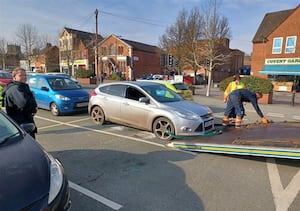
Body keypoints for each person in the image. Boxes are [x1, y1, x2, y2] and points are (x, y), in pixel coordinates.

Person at [2, 67, 38, 138]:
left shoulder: (21, 86)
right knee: (28, 144)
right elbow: (23, 103)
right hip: (21, 122)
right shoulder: (16, 88)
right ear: (14, 77)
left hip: (24, 120)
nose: (24, 77)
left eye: (25, 75)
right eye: (21, 75)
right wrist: (33, 103)